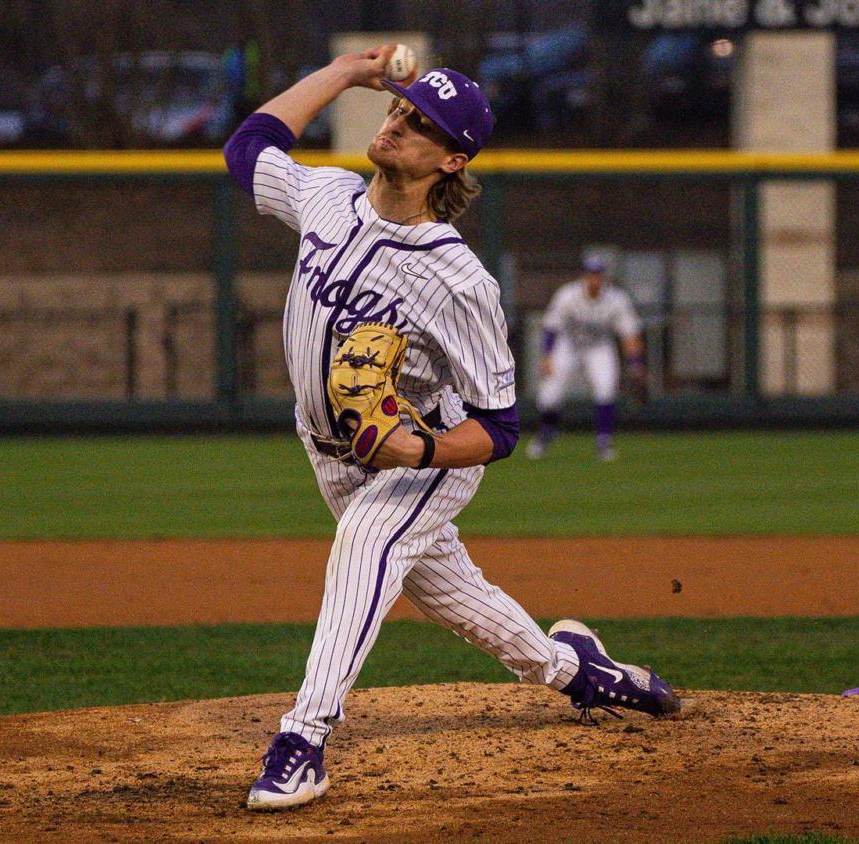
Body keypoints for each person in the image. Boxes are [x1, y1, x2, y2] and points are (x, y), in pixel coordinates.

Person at [222, 45, 681, 812]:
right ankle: (579, 669)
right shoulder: (327, 197)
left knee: (365, 545)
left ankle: (303, 741)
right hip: (332, 452)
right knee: (451, 597)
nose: (396, 124)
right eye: (400, 110)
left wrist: (418, 449)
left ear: (451, 159)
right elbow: (249, 147)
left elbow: (499, 426)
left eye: (419, 123)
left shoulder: (457, 280)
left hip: (423, 453)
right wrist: (341, 74)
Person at [525, 256, 646, 462]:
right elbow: (551, 327)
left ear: (603, 277)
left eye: (598, 274)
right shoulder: (567, 294)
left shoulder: (616, 299)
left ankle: (603, 441)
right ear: (584, 276)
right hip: (568, 345)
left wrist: (635, 364)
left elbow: (630, 334)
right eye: (591, 274)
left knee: (606, 389)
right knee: (549, 395)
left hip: (600, 347)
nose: (594, 278)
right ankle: (547, 432)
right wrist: (547, 356)